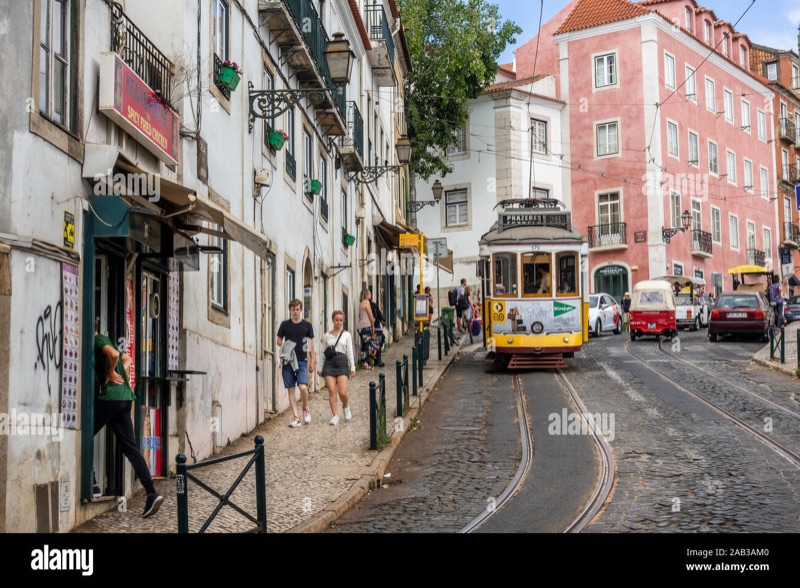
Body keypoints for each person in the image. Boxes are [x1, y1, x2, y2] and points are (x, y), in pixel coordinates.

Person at [94, 326, 163, 518]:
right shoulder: (107, 339)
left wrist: (109, 373)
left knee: (84, 434)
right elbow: (128, 359)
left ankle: (91, 482)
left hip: (112, 399)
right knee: (131, 448)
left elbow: (115, 355)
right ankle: (151, 493)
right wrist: (119, 374)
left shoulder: (98, 341)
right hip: (125, 399)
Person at [277, 299, 315, 427]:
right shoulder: (284, 325)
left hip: (302, 360)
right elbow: (279, 340)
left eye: (297, 309)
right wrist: (283, 345)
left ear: (301, 310)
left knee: (303, 387)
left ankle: (305, 407)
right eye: (293, 310)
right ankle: (296, 417)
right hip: (288, 360)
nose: (295, 312)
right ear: (290, 310)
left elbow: (311, 345)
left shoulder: (307, 326)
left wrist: (312, 361)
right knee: (291, 389)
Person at [317, 310, 356, 426]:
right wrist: (319, 368)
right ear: (333, 320)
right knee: (331, 390)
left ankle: (345, 406)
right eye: (337, 320)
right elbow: (323, 353)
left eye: (341, 320)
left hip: (342, 362)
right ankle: (335, 416)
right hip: (329, 363)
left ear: (343, 321)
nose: (339, 322)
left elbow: (349, 351)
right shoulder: (326, 336)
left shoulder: (347, 335)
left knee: (342, 392)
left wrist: (352, 367)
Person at [357, 288, 375, 370]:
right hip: (365, 327)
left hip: (360, 327)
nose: (370, 295)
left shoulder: (361, 304)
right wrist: (373, 323)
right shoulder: (367, 303)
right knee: (367, 344)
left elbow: (360, 316)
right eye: (370, 294)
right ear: (367, 295)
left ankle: (363, 362)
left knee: (364, 345)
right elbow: (370, 315)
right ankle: (365, 362)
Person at [369, 295, 385, 367]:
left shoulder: (373, 305)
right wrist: (382, 320)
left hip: (372, 326)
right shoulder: (371, 305)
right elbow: (378, 314)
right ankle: (377, 359)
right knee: (378, 342)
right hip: (374, 326)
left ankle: (375, 358)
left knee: (377, 341)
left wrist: (382, 319)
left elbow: (378, 313)